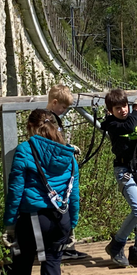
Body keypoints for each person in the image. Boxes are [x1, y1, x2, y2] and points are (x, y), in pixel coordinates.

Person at [0, 109, 79, 275]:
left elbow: (15, 191)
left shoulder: (25, 150)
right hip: (59, 219)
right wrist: (72, 223)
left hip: (34, 218)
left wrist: (9, 224)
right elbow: (74, 193)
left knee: (22, 268)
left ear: (31, 128)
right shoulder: (69, 154)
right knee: (52, 269)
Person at [100, 89, 137, 267]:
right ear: (110, 111)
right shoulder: (112, 124)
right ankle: (117, 244)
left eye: (124, 106)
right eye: (118, 108)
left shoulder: (134, 119)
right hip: (124, 169)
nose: (123, 110)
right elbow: (127, 126)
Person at [46, 84, 88, 260]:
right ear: (55, 102)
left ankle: (67, 246)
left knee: (67, 206)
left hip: (62, 171)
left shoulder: (52, 119)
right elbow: (52, 147)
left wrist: (67, 148)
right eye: (63, 107)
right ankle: (65, 248)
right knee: (64, 207)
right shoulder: (49, 121)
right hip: (58, 175)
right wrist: (68, 149)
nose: (64, 111)